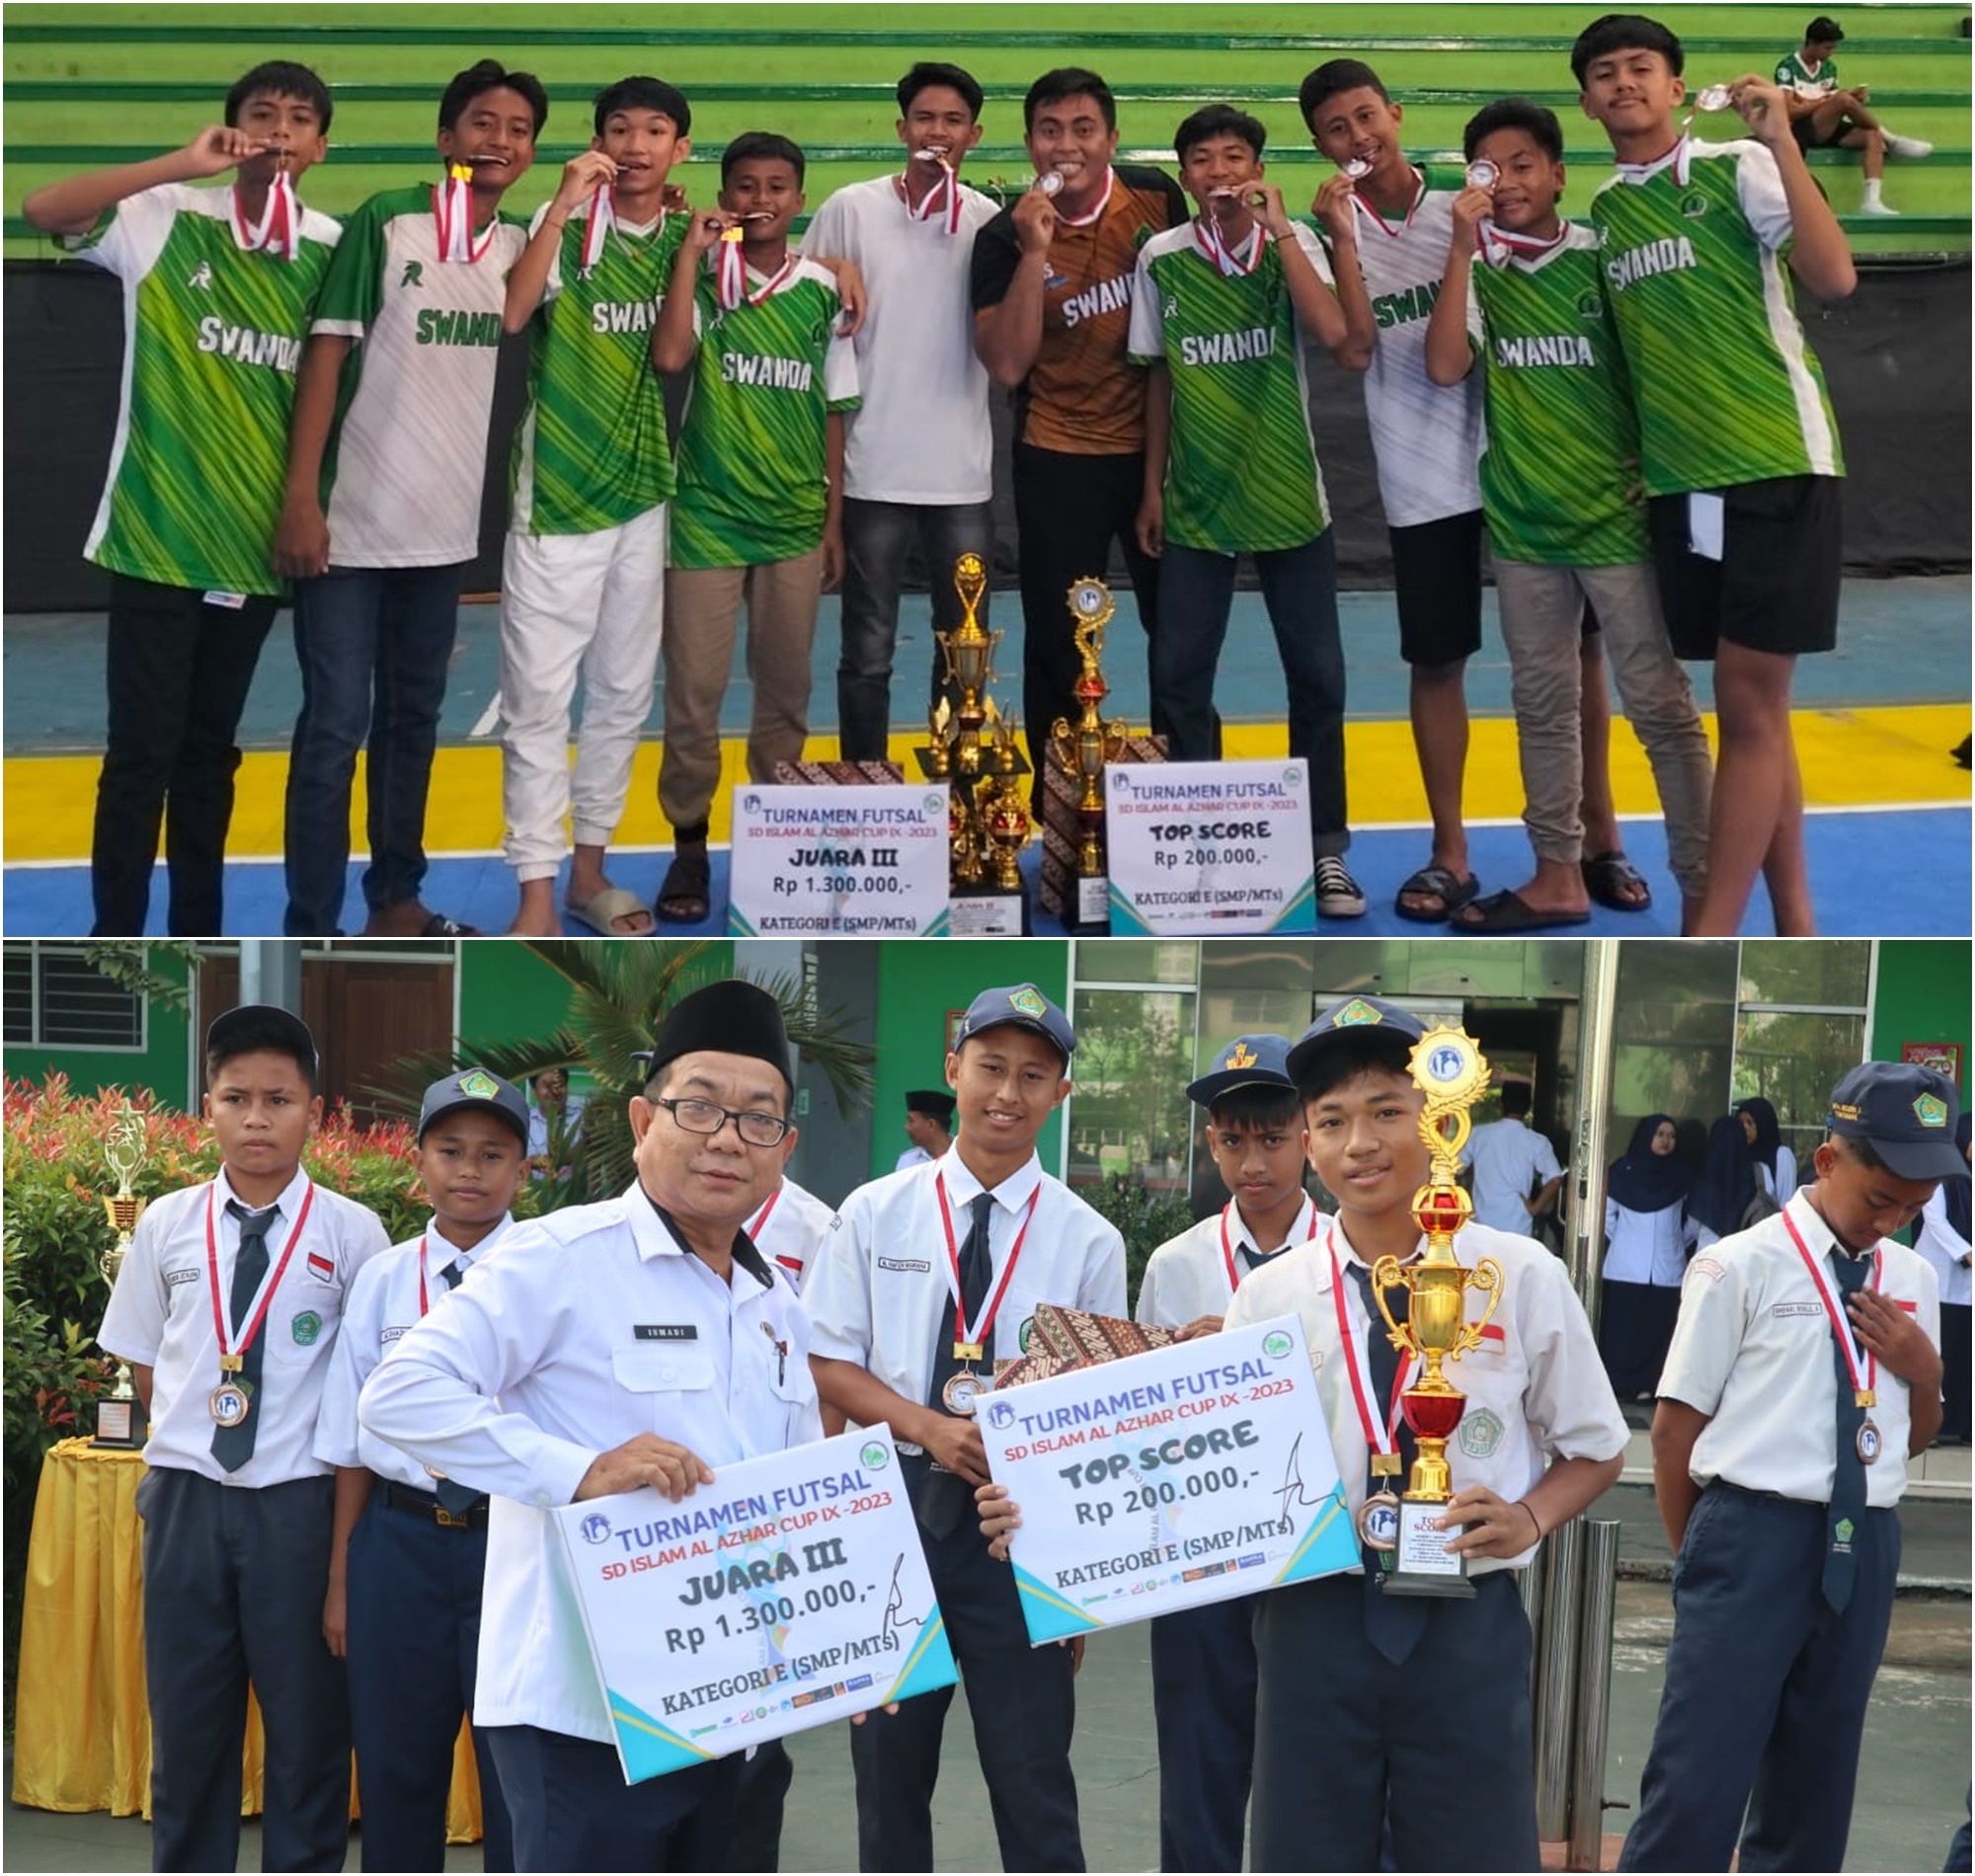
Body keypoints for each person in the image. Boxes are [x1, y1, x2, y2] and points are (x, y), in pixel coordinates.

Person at [980, 992, 1625, 1870]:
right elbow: (1193, 1465)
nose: (1361, 1142)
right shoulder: (1271, 1297)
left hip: (1466, 1615)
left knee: (1472, 1849)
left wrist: (1533, 1517)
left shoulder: (1515, 1273)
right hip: (1307, 1618)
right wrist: (1047, 1513)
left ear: (1439, 1124)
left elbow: (1595, 1445)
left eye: (1387, 1113)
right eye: (1332, 1121)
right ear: (1311, 1145)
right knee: (1303, 1850)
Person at [359, 981, 829, 1871]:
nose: (729, 1137)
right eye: (701, 1108)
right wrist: (577, 1471)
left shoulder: (777, 1303)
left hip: (739, 1709)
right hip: (585, 1718)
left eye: (758, 1118)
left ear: (785, 1148)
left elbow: (793, 1487)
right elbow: (400, 1393)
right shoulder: (560, 1257)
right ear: (645, 1116)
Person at [806, 982, 1128, 1871]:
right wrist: (927, 1428)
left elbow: (1098, 1406)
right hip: (896, 1510)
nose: (1007, 1093)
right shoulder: (875, 1214)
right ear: (954, 1070)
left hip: (1020, 1527)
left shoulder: (1090, 1239)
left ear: (1060, 1095)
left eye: (1034, 1076)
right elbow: (828, 1362)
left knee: (1032, 1775)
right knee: (888, 1773)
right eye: (991, 1067)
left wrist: (1081, 1588)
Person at [21, 64, 341, 938]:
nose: (278, 131)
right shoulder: (165, 218)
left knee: (211, 757)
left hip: (253, 549)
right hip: (156, 538)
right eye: (260, 115)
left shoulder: (329, 246)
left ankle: (197, 931)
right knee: (138, 759)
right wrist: (178, 162)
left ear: (320, 145)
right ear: (230, 129)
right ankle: (113, 935)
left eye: (298, 119)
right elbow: (44, 211)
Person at [1618, 1060, 1953, 1872]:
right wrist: (1698, 1559)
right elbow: (1673, 1432)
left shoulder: (1910, 1278)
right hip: (1751, 1537)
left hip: (1865, 1540)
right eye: (1880, 1201)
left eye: (1913, 1210)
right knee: (1699, 1782)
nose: (1892, 1224)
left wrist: (1925, 1368)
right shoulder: (1740, 1264)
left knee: (1818, 1781)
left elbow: (1911, 1436)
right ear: (1829, 1162)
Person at [1576, 13, 1856, 937]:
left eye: (1640, 67)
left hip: (1776, 458)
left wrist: (1781, 139)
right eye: (1605, 72)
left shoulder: (1740, 165)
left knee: (1747, 705)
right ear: (1586, 101)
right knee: (1754, 716)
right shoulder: (1608, 217)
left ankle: (1709, 936)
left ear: (1673, 84)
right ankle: (1799, 923)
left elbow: (1834, 276)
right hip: (1681, 487)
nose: (1623, 82)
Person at [96, 1004, 390, 1871]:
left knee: (308, 1733)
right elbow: (149, 1366)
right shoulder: (165, 1224)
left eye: (278, 1099)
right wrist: (199, 1439)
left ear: (313, 1109)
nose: (257, 1119)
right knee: (187, 1730)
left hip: (297, 1509)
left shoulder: (352, 1233)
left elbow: (365, 1388)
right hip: (187, 1502)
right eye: (236, 1099)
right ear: (208, 1106)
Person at [1422, 98, 1714, 934]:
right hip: (1523, 527)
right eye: (1489, 167)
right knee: (1543, 706)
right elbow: (1446, 365)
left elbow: (1663, 362)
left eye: (1524, 165)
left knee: (1661, 704)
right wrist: (1458, 249)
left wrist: (1656, 469)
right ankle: (1557, 874)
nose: (1508, 181)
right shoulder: (1478, 269)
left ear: (1558, 173)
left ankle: (1703, 882)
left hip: (1618, 523)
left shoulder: (1601, 256)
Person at [275, 60, 544, 939]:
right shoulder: (389, 219)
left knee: (413, 724)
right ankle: (311, 920)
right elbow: (326, 354)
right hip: (347, 530)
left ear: (532, 151)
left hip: (439, 537)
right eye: (480, 123)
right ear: (445, 138)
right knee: (334, 731)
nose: (497, 140)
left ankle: (396, 899)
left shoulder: (512, 247)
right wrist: (301, 500)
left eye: (515, 129)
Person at [1128, 105, 1371, 920]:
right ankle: (1197, 840)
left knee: (1319, 680)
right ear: (1186, 173)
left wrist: (1288, 233)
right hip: (1197, 503)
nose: (1220, 172)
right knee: (1178, 679)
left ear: (1259, 168)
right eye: (1203, 159)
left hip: (1292, 501)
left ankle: (1323, 850)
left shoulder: (1285, 242)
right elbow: (1158, 374)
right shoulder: (1160, 257)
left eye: (1236, 157)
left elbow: (1339, 336)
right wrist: (1154, 485)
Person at [315, 1068, 532, 1872]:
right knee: (399, 1767)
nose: (469, 1171)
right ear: (420, 1160)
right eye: (450, 1150)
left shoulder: (551, 1274)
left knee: (522, 1768)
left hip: (514, 1543)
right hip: (399, 1547)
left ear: (523, 1169)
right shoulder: (381, 1280)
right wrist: (344, 1576)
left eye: (492, 1154)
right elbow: (347, 1439)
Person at [497, 77, 694, 939]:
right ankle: (535, 898)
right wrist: (559, 206)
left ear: (681, 149)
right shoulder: (567, 225)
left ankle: (589, 874)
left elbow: (684, 345)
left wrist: (836, 267)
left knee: (619, 696)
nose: (639, 143)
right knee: (537, 703)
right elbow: (510, 312)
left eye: (656, 130)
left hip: (642, 493)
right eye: (622, 129)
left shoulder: (686, 234)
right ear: (598, 142)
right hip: (558, 501)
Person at [651, 132, 860, 925]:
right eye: (744, 186)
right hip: (705, 517)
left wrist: (833, 520)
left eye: (777, 186)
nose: (760, 199)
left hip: (796, 522)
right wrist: (687, 262)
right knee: (695, 695)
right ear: (725, 196)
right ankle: (690, 848)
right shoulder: (707, 284)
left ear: (800, 200)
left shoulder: (823, 293)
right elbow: (672, 358)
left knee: (785, 692)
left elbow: (835, 412)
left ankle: (772, 843)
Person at [972, 68, 1191, 801]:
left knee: (1181, 636)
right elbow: (1006, 364)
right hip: (1057, 454)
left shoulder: (1157, 198)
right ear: (1030, 141)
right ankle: (1065, 811)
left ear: (1112, 139)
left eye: (1083, 129)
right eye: (1050, 130)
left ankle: (1180, 800)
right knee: (1062, 644)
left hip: (1159, 454)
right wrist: (1036, 253)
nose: (1067, 145)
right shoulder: (1003, 235)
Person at [1132, 1033, 1321, 1871]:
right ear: (1211, 1140)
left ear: (1309, 1134)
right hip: (1200, 1549)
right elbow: (1139, 1416)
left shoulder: (1349, 1252)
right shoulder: (1176, 1264)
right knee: (1200, 1765)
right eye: (1234, 1140)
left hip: (1314, 1546)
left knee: (1313, 1771)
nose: (1255, 1162)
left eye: (1274, 1139)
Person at [802, 62, 1000, 761]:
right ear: (901, 128)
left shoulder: (988, 222)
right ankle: (867, 795)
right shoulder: (850, 208)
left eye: (952, 121)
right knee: (867, 651)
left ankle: (958, 806)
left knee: (962, 655)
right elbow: (800, 292)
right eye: (924, 118)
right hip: (871, 468)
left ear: (973, 135)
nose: (936, 133)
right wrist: (830, 269)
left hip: (960, 477)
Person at [1774, 15, 1933, 217]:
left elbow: (1834, 101)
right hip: (1802, 129)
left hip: (1828, 125)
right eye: (1827, 48)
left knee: (1870, 135)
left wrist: (1854, 99)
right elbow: (1790, 110)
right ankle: (1892, 141)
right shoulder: (1788, 67)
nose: (1831, 53)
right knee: (1842, 99)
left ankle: (1871, 201)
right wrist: (1827, 101)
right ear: (1812, 43)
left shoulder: (1829, 68)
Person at [1599, 1114, 1696, 1398]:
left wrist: (1677, 1240)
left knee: (1657, 1328)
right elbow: (1606, 1215)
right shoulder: (1622, 1171)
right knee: (1622, 1330)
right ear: (1647, 1136)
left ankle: (1647, 1386)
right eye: (1660, 1134)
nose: (1666, 1141)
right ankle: (1617, 1384)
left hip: (1667, 1266)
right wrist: (1627, 1239)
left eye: (1671, 1136)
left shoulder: (1682, 1174)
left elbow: (1694, 1221)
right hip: (1626, 1265)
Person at [1912, 1111, 1971, 1444]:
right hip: (1941, 1275)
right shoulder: (1943, 1175)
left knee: (1966, 1352)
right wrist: (1966, 1252)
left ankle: (1965, 1426)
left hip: (1968, 1285)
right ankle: (1933, 1424)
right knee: (1939, 1349)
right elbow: (1935, 1220)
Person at [1461, 1081, 1564, 1235]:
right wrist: (1534, 1209)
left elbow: (1455, 1168)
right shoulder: (1536, 1141)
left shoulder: (1478, 1135)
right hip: (1518, 1228)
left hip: (1480, 1226)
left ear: (1500, 1104)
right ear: (1528, 1107)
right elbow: (1555, 1179)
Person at [1690, 1112, 1759, 1250]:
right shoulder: (1759, 1172)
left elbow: (1692, 1229)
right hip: (1745, 1253)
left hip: (1708, 1257)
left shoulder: (1703, 1180)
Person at [1736, 1094, 1800, 1205]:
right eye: (1741, 1123)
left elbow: (1786, 1201)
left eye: (1750, 1122)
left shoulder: (1782, 1156)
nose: (1745, 1128)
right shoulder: (1740, 1154)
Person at [525, 1065, 586, 1168]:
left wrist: (547, 1161)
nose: (554, 1091)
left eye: (560, 1085)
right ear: (534, 1092)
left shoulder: (583, 1118)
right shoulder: (524, 1122)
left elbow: (589, 1148)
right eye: (547, 1086)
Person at [895, 1087, 956, 1170]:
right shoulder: (907, 1162)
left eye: (911, 1121)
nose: (906, 1127)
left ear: (931, 1124)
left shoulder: (966, 1157)